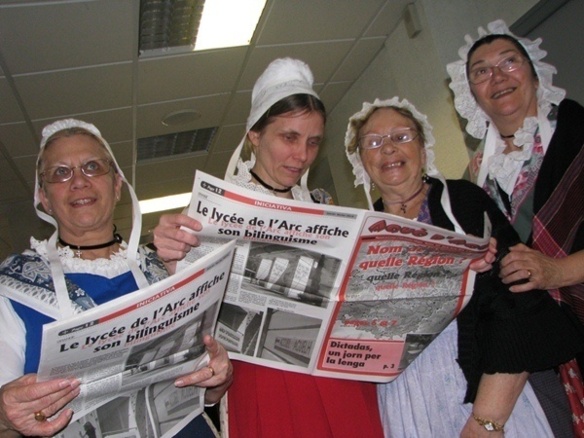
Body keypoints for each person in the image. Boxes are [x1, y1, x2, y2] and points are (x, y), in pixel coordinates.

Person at [153, 58, 385, 437]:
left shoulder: (326, 208)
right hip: (263, 384)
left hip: (339, 380)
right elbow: (191, 322)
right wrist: (171, 260)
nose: (302, 156)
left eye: (313, 142)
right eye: (289, 138)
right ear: (254, 135)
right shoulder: (211, 215)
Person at [344, 96, 584, 437]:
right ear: (362, 162)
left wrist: (488, 420)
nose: (388, 149)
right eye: (374, 142)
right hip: (405, 398)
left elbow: (515, 298)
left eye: (402, 136)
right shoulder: (358, 233)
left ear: (423, 151)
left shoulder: (463, 202)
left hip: (485, 385)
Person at [0, 119, 232, 437]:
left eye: (93, 166)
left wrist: (218, 379)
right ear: (43, 197)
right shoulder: (13, 289)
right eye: (61, 172)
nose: (79, 181)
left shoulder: (165, 269)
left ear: (118, 184)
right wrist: (4, 415)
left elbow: (203, 393)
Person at [447, 19, 584, 437]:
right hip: (542, 351)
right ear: (471, 95)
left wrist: (557, 271)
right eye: (481, 71)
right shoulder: (475, 178)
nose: (498, 77)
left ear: (533, 71)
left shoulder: (578, 135)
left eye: (509, 62)